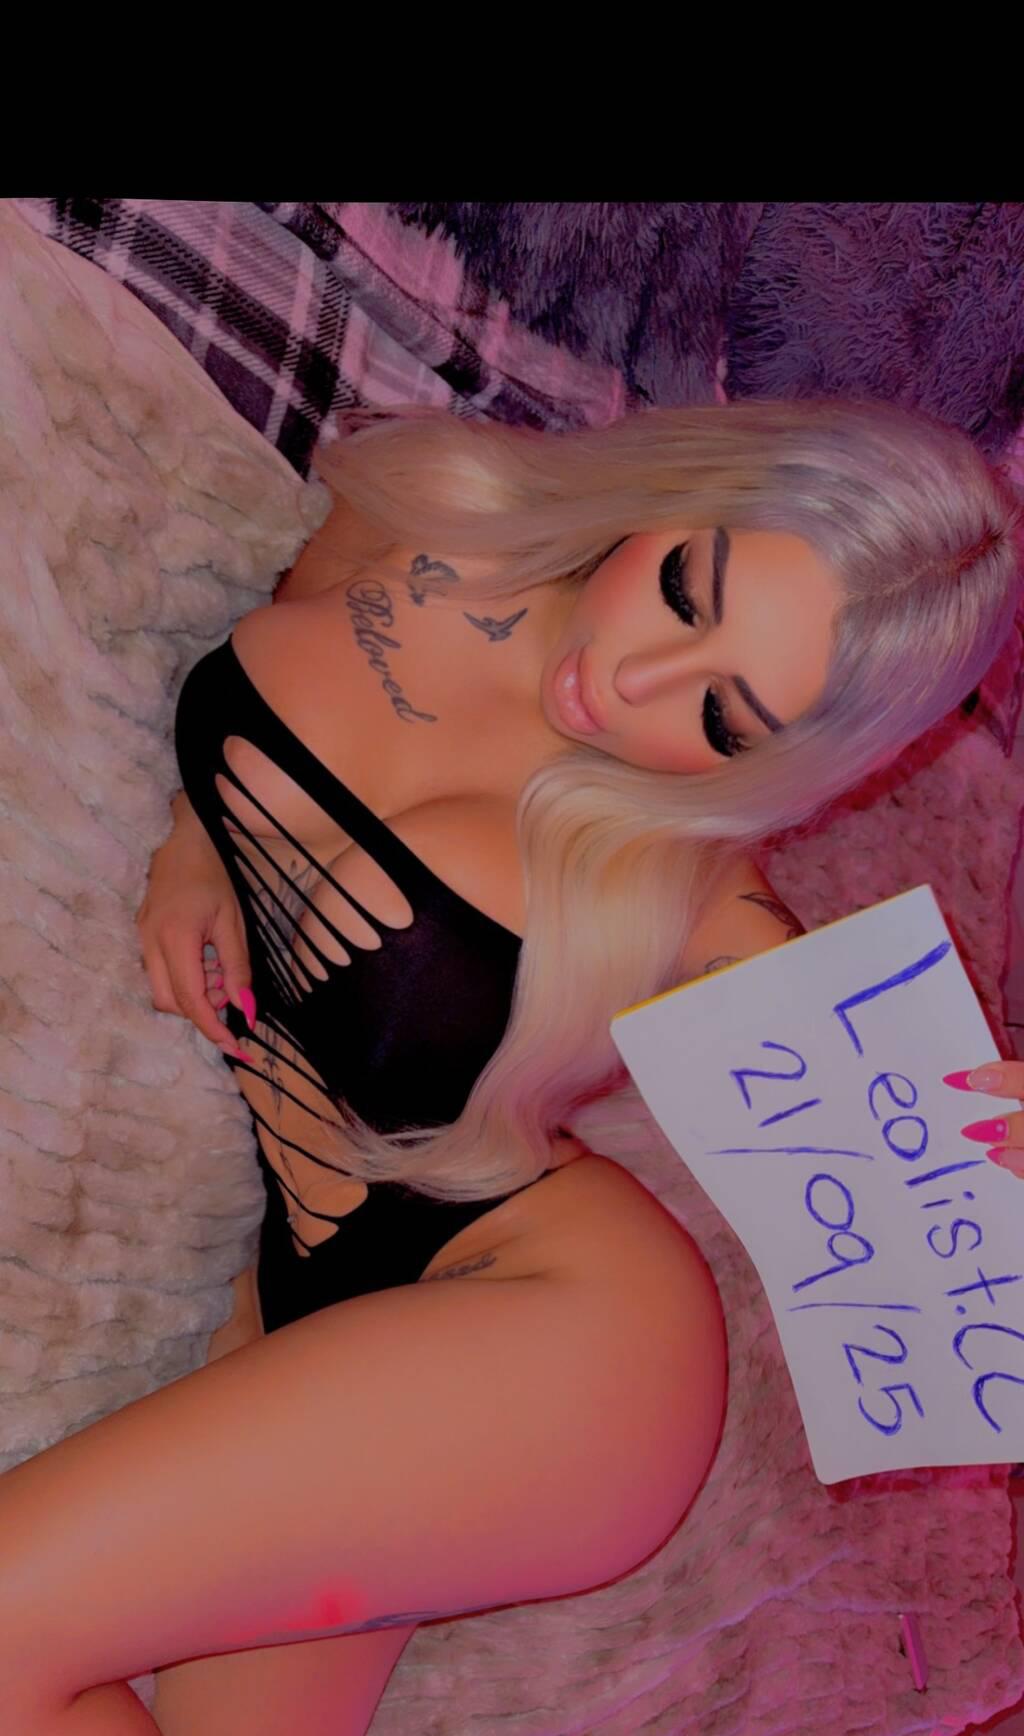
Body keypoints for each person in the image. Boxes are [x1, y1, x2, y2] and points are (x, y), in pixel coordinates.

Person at [1, 398, 1021, 1736]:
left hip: (563, 1345)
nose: (639, 681)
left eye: (725, 715)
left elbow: (925, 1184)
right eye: (685, 588)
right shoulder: (430, 503)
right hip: (318, 1300)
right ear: (680, 487)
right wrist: (197, 840)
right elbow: (271, 674)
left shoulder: (691, 891)